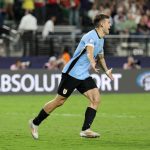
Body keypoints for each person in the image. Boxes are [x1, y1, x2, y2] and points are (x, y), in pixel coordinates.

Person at [29, 14, 114, 139]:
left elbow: (100, 57)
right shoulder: (90, 36)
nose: (110, 25)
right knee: (59, 101)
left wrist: (106, 71)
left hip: (83, 74)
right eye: (108, 22)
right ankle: (35, 123)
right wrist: (91, 61)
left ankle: (86, 129)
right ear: (101, 24)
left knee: (96, 99)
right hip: (72, 73)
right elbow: (90, 51)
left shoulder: (101, 39)